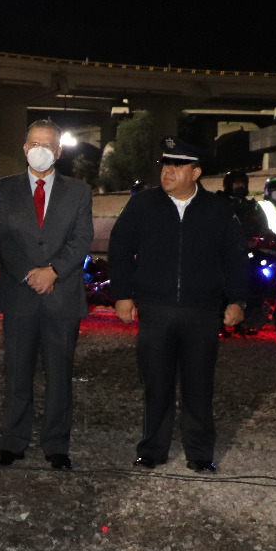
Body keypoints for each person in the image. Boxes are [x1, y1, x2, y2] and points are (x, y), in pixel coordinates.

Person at [108, 138, 249, 473]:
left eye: (177, 165)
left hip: (201, 312)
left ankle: (199, 453)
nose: (168, 171)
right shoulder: (143, 205)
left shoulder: (217, 210)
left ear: (196, 173)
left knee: (199, 385)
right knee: (156, 383)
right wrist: (123, 294)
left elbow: (236, 258)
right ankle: (152, 450)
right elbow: (119, 248)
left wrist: (238, 300)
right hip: (156, 311)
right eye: (165, 164)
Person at [0, 120, 93, 470]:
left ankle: (56, 445)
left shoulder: (79, 191)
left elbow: (82, 238)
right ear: (24, 148)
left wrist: (53, 271)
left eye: (47, 145)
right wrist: (28, 273)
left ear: (59, 151)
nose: (40, 150)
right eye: (34, 143)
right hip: (20, 293)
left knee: (59, 375)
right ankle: (12, 443)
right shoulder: (4, 189)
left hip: (62, 295)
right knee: (17, 371)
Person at [218, 170, 264, 238]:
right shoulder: (221, 204)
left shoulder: (250, 205)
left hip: (251, 241)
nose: (241, 186)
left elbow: (261, 226)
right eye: (237, 184)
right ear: (229, 185)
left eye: (243, 184)